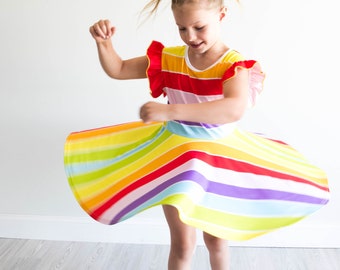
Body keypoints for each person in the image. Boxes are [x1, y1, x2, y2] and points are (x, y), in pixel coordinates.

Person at [64, 0, 329, 270]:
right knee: (182, 244)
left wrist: (170, 111)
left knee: (216, 242)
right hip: (175, 159)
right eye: (182, 28)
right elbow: (118, 69)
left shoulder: (233, 64)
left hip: (218, 163)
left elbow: (233, 108)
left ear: (221, 15)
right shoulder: (170, 58)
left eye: (199, 27)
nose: (190, 36)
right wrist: (104, 43)